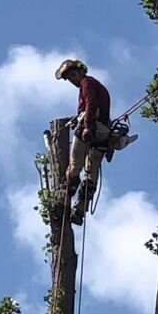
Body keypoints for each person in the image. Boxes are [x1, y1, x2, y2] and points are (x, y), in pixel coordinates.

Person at [55, 59, 111, 225]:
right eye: (69, 78)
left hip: (91, 128)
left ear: (80, 72)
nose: (72, 80)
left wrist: (87, 126)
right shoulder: (95, 84)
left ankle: (66, 193)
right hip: (103, 132)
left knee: (75, 165)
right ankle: (79, 210)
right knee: (91, 173)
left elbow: (91, 104)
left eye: (73, 75)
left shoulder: (87, 83)